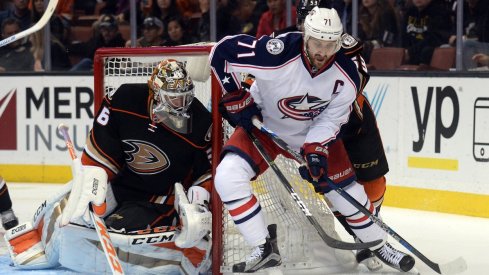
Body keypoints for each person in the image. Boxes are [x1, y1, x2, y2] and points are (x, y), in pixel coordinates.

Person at [209, 6, 415, 273]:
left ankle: (378, 244)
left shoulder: (346, 74)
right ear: (305, 35)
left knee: (347, 194)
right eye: (317, 43)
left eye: (330, 45)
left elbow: (331, 119)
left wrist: (316, 148)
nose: (322, 51)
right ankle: (263, 247)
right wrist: (235, 95)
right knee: (227, 178)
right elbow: (222, 53)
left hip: (309, 133)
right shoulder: (276, 52)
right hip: (265, 125)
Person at [5, 59, 212, 274]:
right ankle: (35, 243)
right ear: (156, 93)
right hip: (122, 183)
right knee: (70, 205)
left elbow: (207, 170)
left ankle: (188, 256)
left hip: (158, 197)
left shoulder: (201, 123)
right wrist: (94, 182)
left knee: (119, 230)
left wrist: (198, 200)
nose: (182, 105)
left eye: (186, 96)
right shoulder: (125, 100)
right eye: (174, 98)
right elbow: (101, 148)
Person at [401, 0, 453, 65]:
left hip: (428, 62)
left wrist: (410, 52)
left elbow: (434, 39)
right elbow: (402, 38)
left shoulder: (440, 13)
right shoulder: (409, 13)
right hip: (408, 60)